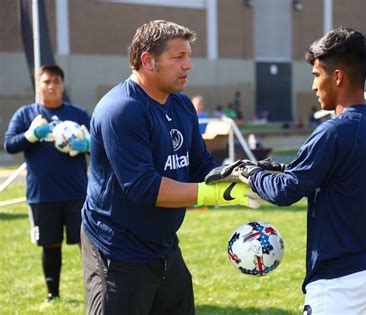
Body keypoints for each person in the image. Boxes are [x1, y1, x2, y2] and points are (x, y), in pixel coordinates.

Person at [207, 28, 366, 314]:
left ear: (338, 77)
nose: (313, 86)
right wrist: (275, 170)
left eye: (316, 75)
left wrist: (247, 172)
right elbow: (323, 176)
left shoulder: (334, 131)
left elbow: (287, 190)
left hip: (340, 280)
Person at [80, 20, 259, 315]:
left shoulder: (181, 105)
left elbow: (200, 164)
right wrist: (213, 195)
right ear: (147, 60)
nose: (188, 65)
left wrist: (241, 176)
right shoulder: (121, 110)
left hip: (163, 247)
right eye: (178, 57)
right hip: (117, 250)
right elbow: (143, 187)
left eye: (189, 56)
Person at [3, 64, 91, 305]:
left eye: (56, 82)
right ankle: (53, 295)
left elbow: (102, 147)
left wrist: (88, 145)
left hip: (77, 193)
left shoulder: (78, 114)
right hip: (42, 195)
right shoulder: (25, 114)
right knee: (50, 245)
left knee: (87, 244)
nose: (51, 86)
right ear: (38, 85)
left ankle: (96, 291)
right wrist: (32, 135)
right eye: (46, 81)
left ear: (63, 85)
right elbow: (9, 144)